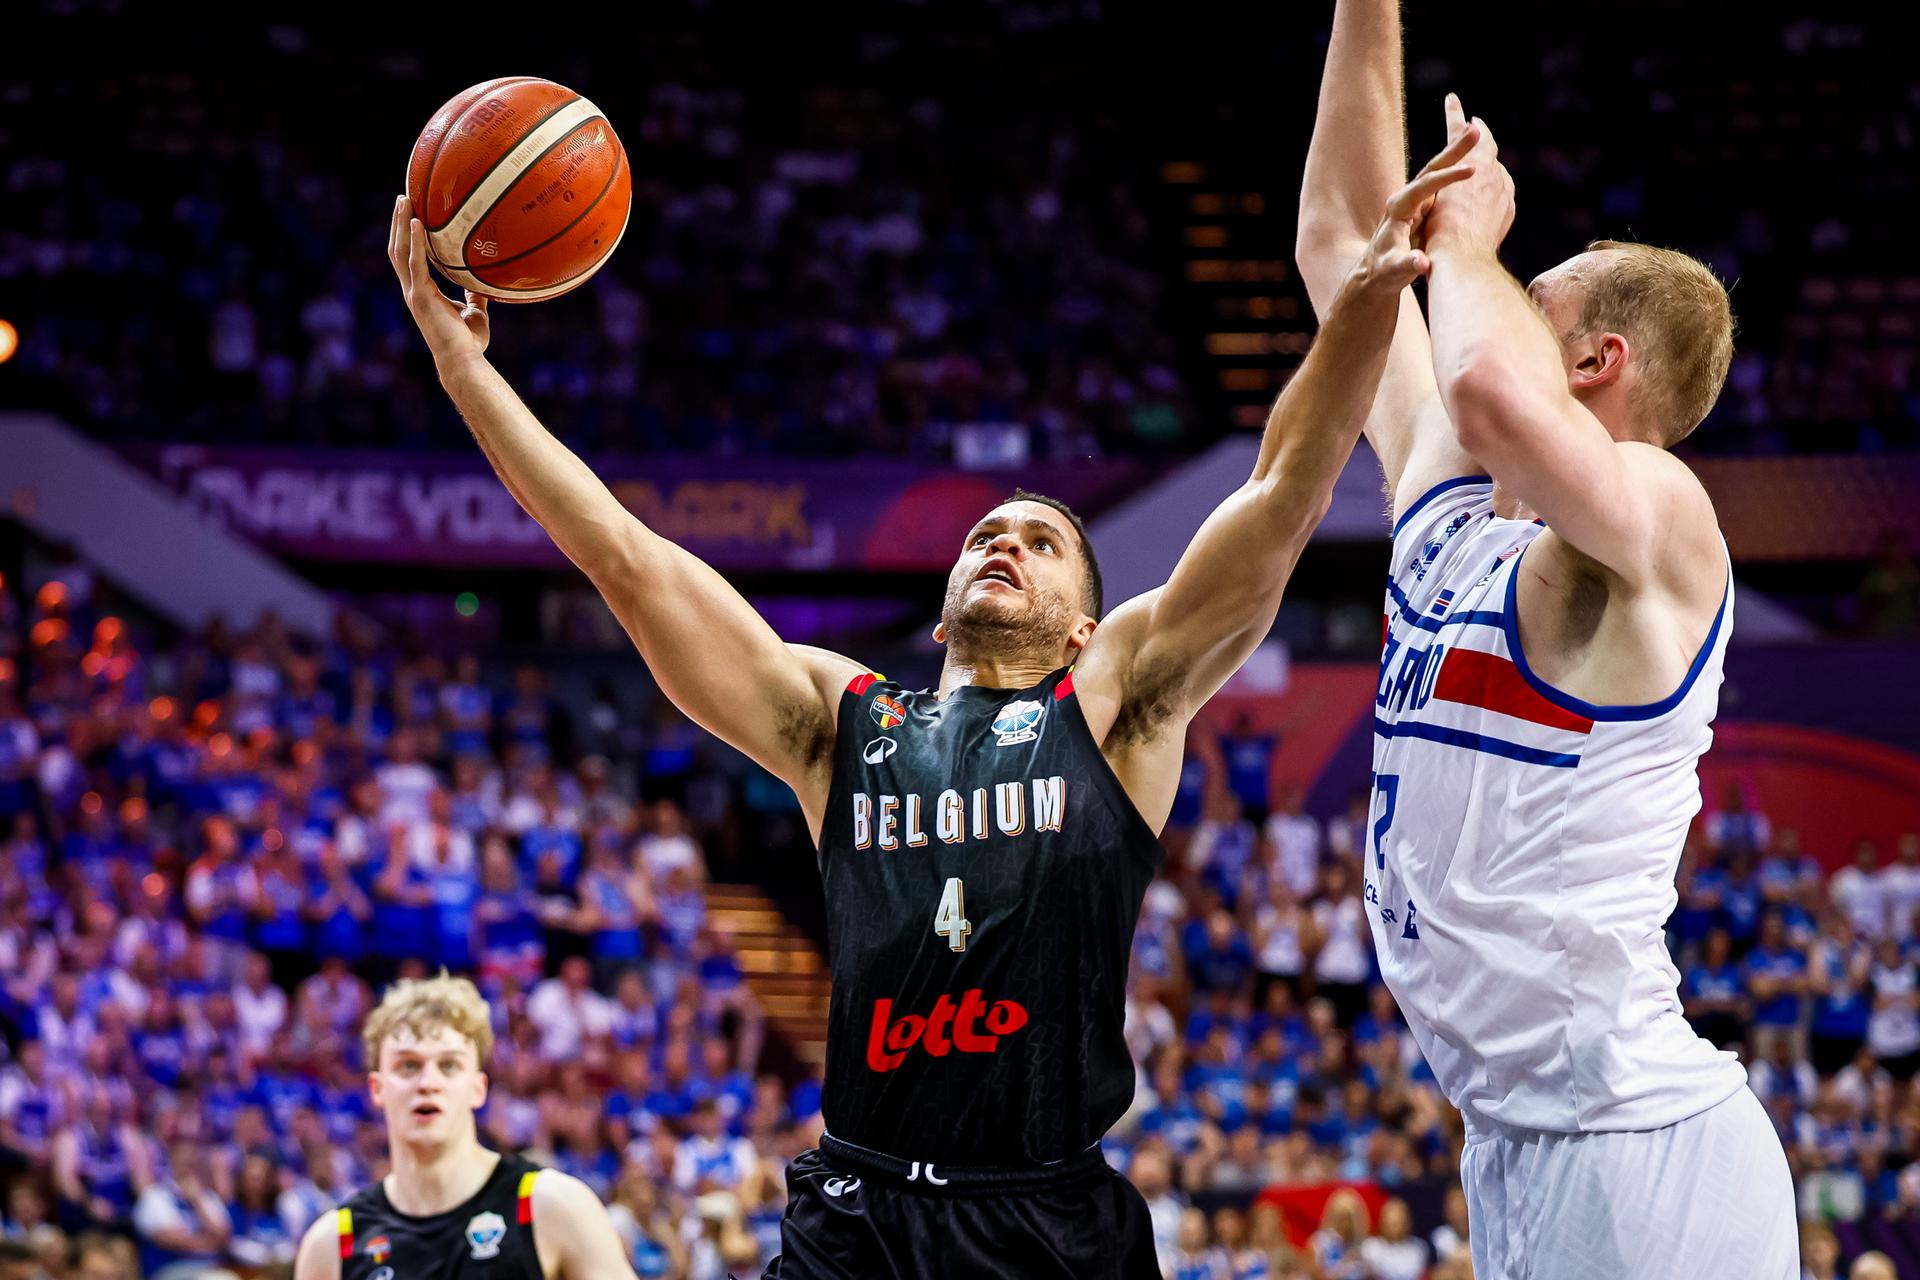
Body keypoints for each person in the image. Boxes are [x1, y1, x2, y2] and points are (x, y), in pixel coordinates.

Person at [387, 111, 1476, 1277]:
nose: (1004, 541)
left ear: (1084, 625)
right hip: (859, 1207)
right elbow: (622, 553)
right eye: (984, 534)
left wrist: (1364, 306)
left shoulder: (1114, 705)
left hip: (1047, 1212)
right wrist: (463, 365)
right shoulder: (839, 721)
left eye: (1042, 541)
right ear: (946, 595)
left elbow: (1280, 496)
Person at [1294, 2, 1796, 1274]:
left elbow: (1484, 386)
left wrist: (1469, 240)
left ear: (1593, 361)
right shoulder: (1452, 513)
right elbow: (1342, 248)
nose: (1487, 295)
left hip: (1646, 1145)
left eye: (1526, 297)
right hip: (1514, 1139)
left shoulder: (1665, 523)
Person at [291, 973, 634, 1280]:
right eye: (408, 1066)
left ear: (478, 1088)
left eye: (449, 1065)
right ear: (377, 1089)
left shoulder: (552, 1205)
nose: (428, 1083)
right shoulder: (335, 1245)